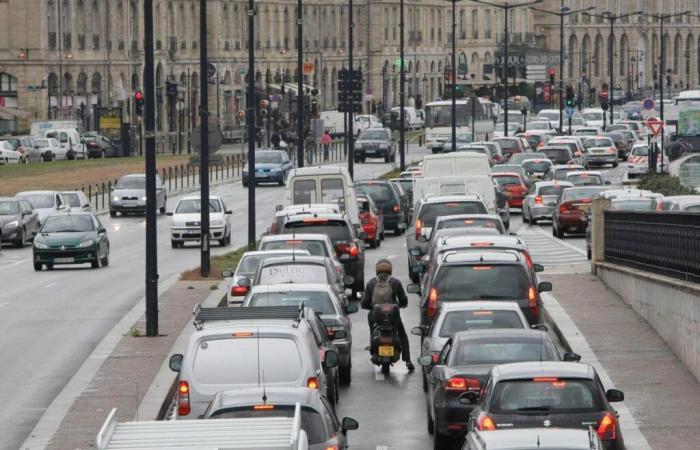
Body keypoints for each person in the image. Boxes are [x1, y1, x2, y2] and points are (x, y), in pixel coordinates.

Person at [361, 259, 415, 371]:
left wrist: (369, 306)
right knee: (402, 335)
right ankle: (408, 361)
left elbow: (365, 302)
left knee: (372, 331)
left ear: (377, 270)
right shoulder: (395, 282)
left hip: (375, 316)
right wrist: (401, 305)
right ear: (390, 270)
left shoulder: (371, 283)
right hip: (393, 316)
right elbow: (403, 300)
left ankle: (374, 346)